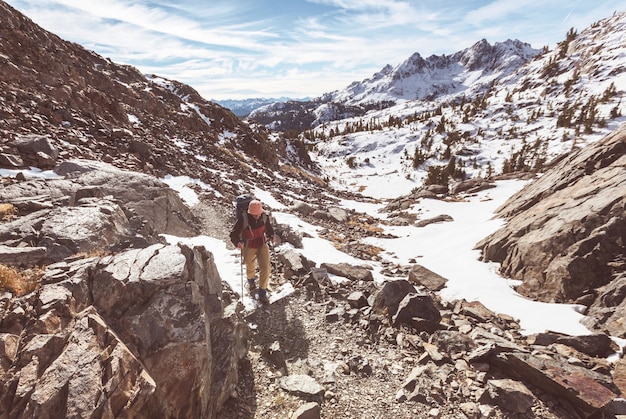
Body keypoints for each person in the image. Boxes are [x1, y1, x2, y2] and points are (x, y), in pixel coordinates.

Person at [230, 199, 275, 304]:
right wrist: (238, 243)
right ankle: (251, 282)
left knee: (266, 267)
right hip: (248, 244)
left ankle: (262, 292)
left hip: (261, 243)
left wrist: (271, 235)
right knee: (250, 266)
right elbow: (233, 234)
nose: (257, 216)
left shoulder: (264, 216)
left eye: (258, 214)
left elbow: (268, 228)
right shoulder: (244, 218)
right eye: (255, 215)